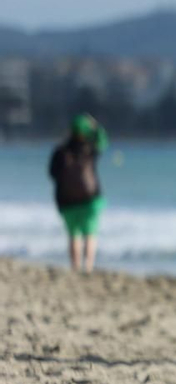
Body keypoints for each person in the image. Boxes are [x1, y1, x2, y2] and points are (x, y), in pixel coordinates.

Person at [49, 112, 108, 273]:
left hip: (67, 201)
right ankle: (88, 267)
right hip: (90, 200)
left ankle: (75, 267)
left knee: (73, 235)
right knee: (90, 233)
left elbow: (52, 174)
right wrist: (95, 125)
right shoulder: (89, 149)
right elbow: (103, 140)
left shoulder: (61, 152)